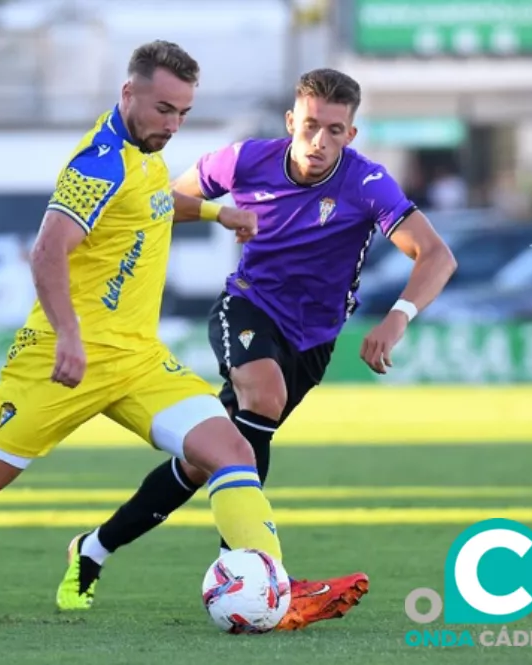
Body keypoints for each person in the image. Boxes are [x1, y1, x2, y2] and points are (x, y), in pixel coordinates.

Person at [0, 42, 362, 630]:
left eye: (182, 112)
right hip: (61, 356)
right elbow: (48, 249)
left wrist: (213, 213)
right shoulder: (96, 163)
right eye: (163, 109)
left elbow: (152, 202)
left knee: (230, 452)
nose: (173, 125)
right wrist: (71, 336)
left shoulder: (145, 150)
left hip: (138, 360)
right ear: (128, 94)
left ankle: (275, 588)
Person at [57, 68, 458, 628]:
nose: (320, 142)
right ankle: (251, 569)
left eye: (335, 131)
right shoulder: (245, 161)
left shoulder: (367, 185)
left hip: (312, 343)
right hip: (246, 308)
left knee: (206, 462)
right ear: (292, 121)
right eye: (312, 125)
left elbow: (436, 255)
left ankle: (93, 550)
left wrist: (397, 318)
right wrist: (210, 216)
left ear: (352, 134)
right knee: (261, 398)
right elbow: (160, 200)